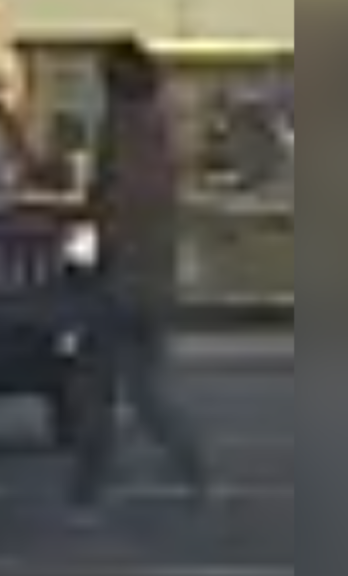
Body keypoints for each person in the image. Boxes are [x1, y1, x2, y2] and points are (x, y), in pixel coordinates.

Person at [66, 37, 209, 511]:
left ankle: (90, 483)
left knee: (94, 386)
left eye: (105, 71)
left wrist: (88, 222)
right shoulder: (160, 124)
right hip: (156, 278)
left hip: (120, 278)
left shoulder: (122, 125)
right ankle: (188, 462)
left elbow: (116, 199)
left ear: (119, 77)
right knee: (144, 388)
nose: (100, 79)